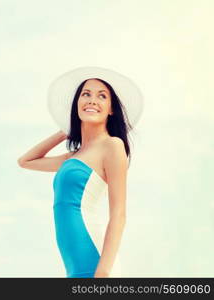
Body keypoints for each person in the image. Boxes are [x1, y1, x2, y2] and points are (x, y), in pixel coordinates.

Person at [18, 67, 143, 278]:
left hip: (95, 259)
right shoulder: (73, 157)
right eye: (86, 94)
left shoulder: (112, 146)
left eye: (102, 96)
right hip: (73, 264)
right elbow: (25, 161)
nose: (92, 100)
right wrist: (65, 130)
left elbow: (119, 215)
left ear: (111, 109)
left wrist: (103, 271)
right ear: (77, 104)